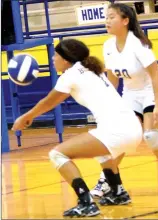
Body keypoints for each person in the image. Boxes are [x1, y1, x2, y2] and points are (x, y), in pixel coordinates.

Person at [12, 39, 143, 217]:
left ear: (66, 60)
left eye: (55, 55)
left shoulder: (71, 75)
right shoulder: (91, 69)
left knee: (57, 154)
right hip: (133, 127)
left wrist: (26, 117)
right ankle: (118, 192)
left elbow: (49, 102)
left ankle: (86, 202)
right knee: (102, 151)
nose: (52, 58)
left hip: (117, 130)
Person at [90, 3, 158, 198]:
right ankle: (107, 180)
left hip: (152, 91)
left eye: (112, 17)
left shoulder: (138, 45)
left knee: (152, 136)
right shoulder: (108, 46)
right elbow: (113, 79)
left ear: (125, 21)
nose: (107, 21)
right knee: (121, 136)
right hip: (131, 94)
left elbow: (156, 76)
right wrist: (109, 105)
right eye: (106, 17)